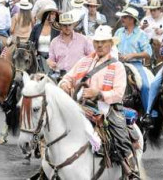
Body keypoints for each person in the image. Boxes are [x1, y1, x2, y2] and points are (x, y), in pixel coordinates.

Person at [59, 25, 139, 178]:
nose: (100, 45)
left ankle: (130, 169)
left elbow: (118, 94)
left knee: (120, 136)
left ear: (110, 44)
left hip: (106, 108)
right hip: (80, 105)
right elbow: (68, 77)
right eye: (97, 42)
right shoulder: (84, 61)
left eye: (103, 42)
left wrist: (99, 94)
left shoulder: (118, 66)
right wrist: (64, 84)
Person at [115, 7, 152, 114]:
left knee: (145, 86)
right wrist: (116, 53)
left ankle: (148, 113)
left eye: (125, 17)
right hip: (118, 63)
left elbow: (148, 53)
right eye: (122, 17)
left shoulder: (141, 34)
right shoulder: (118, 32)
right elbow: (112, 46)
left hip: (135, 64)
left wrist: (132, 55)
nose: (122, 19)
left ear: (132, 19)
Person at [29, 4, 60, 71]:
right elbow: (30, 41)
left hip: (52, 59)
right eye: (51, 14)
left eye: (54, 14)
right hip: (38, 58)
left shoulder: (57, 29)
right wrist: (33, 51)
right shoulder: (36, 27)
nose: (54, 16)